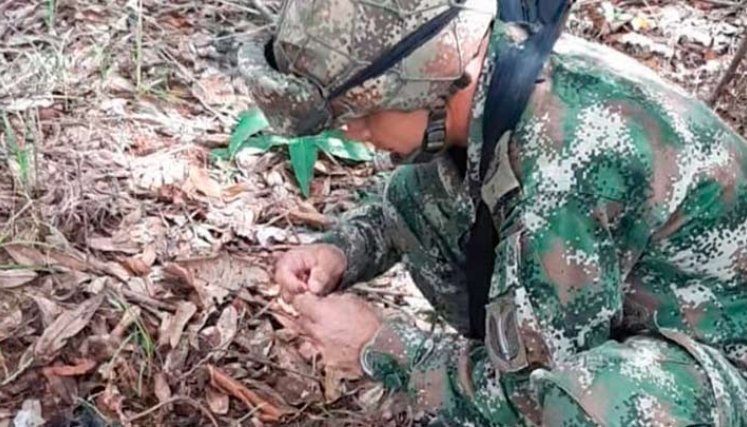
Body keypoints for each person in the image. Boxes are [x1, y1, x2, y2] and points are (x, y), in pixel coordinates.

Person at [239, 0, 747, 425]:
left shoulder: (565, 157)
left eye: (361, 114)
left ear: (423, 84)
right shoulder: (496, 75)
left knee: (602, 404)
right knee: (424, 196)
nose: (352, 133)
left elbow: (540, 394)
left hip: (721, 368)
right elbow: (416, 198)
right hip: (650, 318)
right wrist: (341, 249)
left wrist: (384, 348)